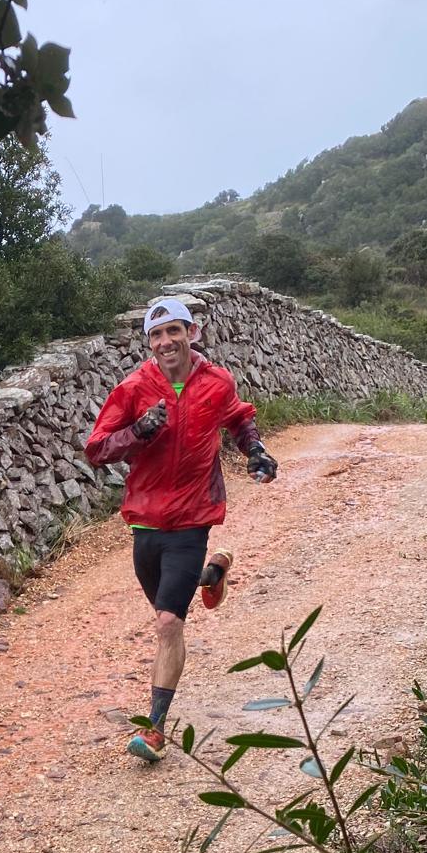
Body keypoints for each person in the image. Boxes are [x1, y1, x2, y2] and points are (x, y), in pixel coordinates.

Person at [85, 295, 278, 763]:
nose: (166, 341)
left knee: (169, 622)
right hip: (145, 519)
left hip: (193, 516)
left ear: (193, 333)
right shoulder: (133, 388)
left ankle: (154, 729)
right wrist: (139, 432)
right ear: (149, 343)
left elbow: (239, 419)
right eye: (157, 334)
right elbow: (97, 448)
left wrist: (256, 450)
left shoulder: (217, 382)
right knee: (167, 606)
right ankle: (213, 575)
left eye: (174, 330)